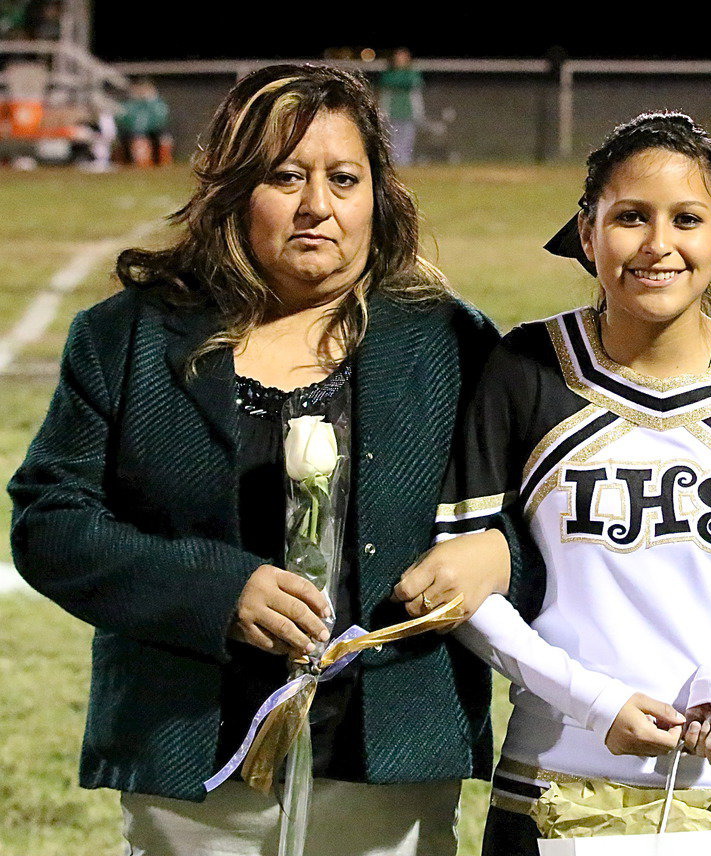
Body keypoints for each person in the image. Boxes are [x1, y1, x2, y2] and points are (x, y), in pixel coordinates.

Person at [8, 63, 509, 856]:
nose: (318, 205)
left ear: (377, 196)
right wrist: (215, 590)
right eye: (285, 176)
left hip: (389, 763)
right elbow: (50, 522)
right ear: (234, 189)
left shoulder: (449, 342)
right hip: (191, 759)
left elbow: (542, 514)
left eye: (343, 178)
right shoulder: (129, 337)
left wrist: (500, 552)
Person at [394, 111, 711, 855]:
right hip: (553, 775)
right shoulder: (525, 368)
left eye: (687, 219)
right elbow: (456, 586)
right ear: (588, 232)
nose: (658, 244)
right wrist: (594, 702)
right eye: (630, 217)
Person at [378, 48, 424, 167]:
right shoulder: (389, 73)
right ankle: (395, 164)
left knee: (407, 139)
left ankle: (405, 163)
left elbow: (413, 83)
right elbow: (386, 84)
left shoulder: (412, 72)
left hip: (409, 112)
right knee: (394, 139)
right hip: (393, 112)